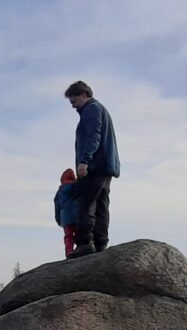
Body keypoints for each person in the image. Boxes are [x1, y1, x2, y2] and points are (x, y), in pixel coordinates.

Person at [64, 81, 120, 258]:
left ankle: (84, 243)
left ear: (83, 95)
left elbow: (93, 135)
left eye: (74, 101)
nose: (73, 106)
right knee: (101, 205)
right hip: (106, 167)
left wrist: (84, 161)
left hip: (94, 166)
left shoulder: (92, 109)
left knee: (85, 203)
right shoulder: (100, 109)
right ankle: (100, 243)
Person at [54, 168, 79, 257]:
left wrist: (58, 220)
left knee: (68, 236)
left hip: (65, 218)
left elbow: (57, 206)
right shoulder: (76, 186)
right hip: (77, 215)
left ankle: (69, 252)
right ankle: (80, 249)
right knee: (79, 233)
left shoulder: (59, 192)